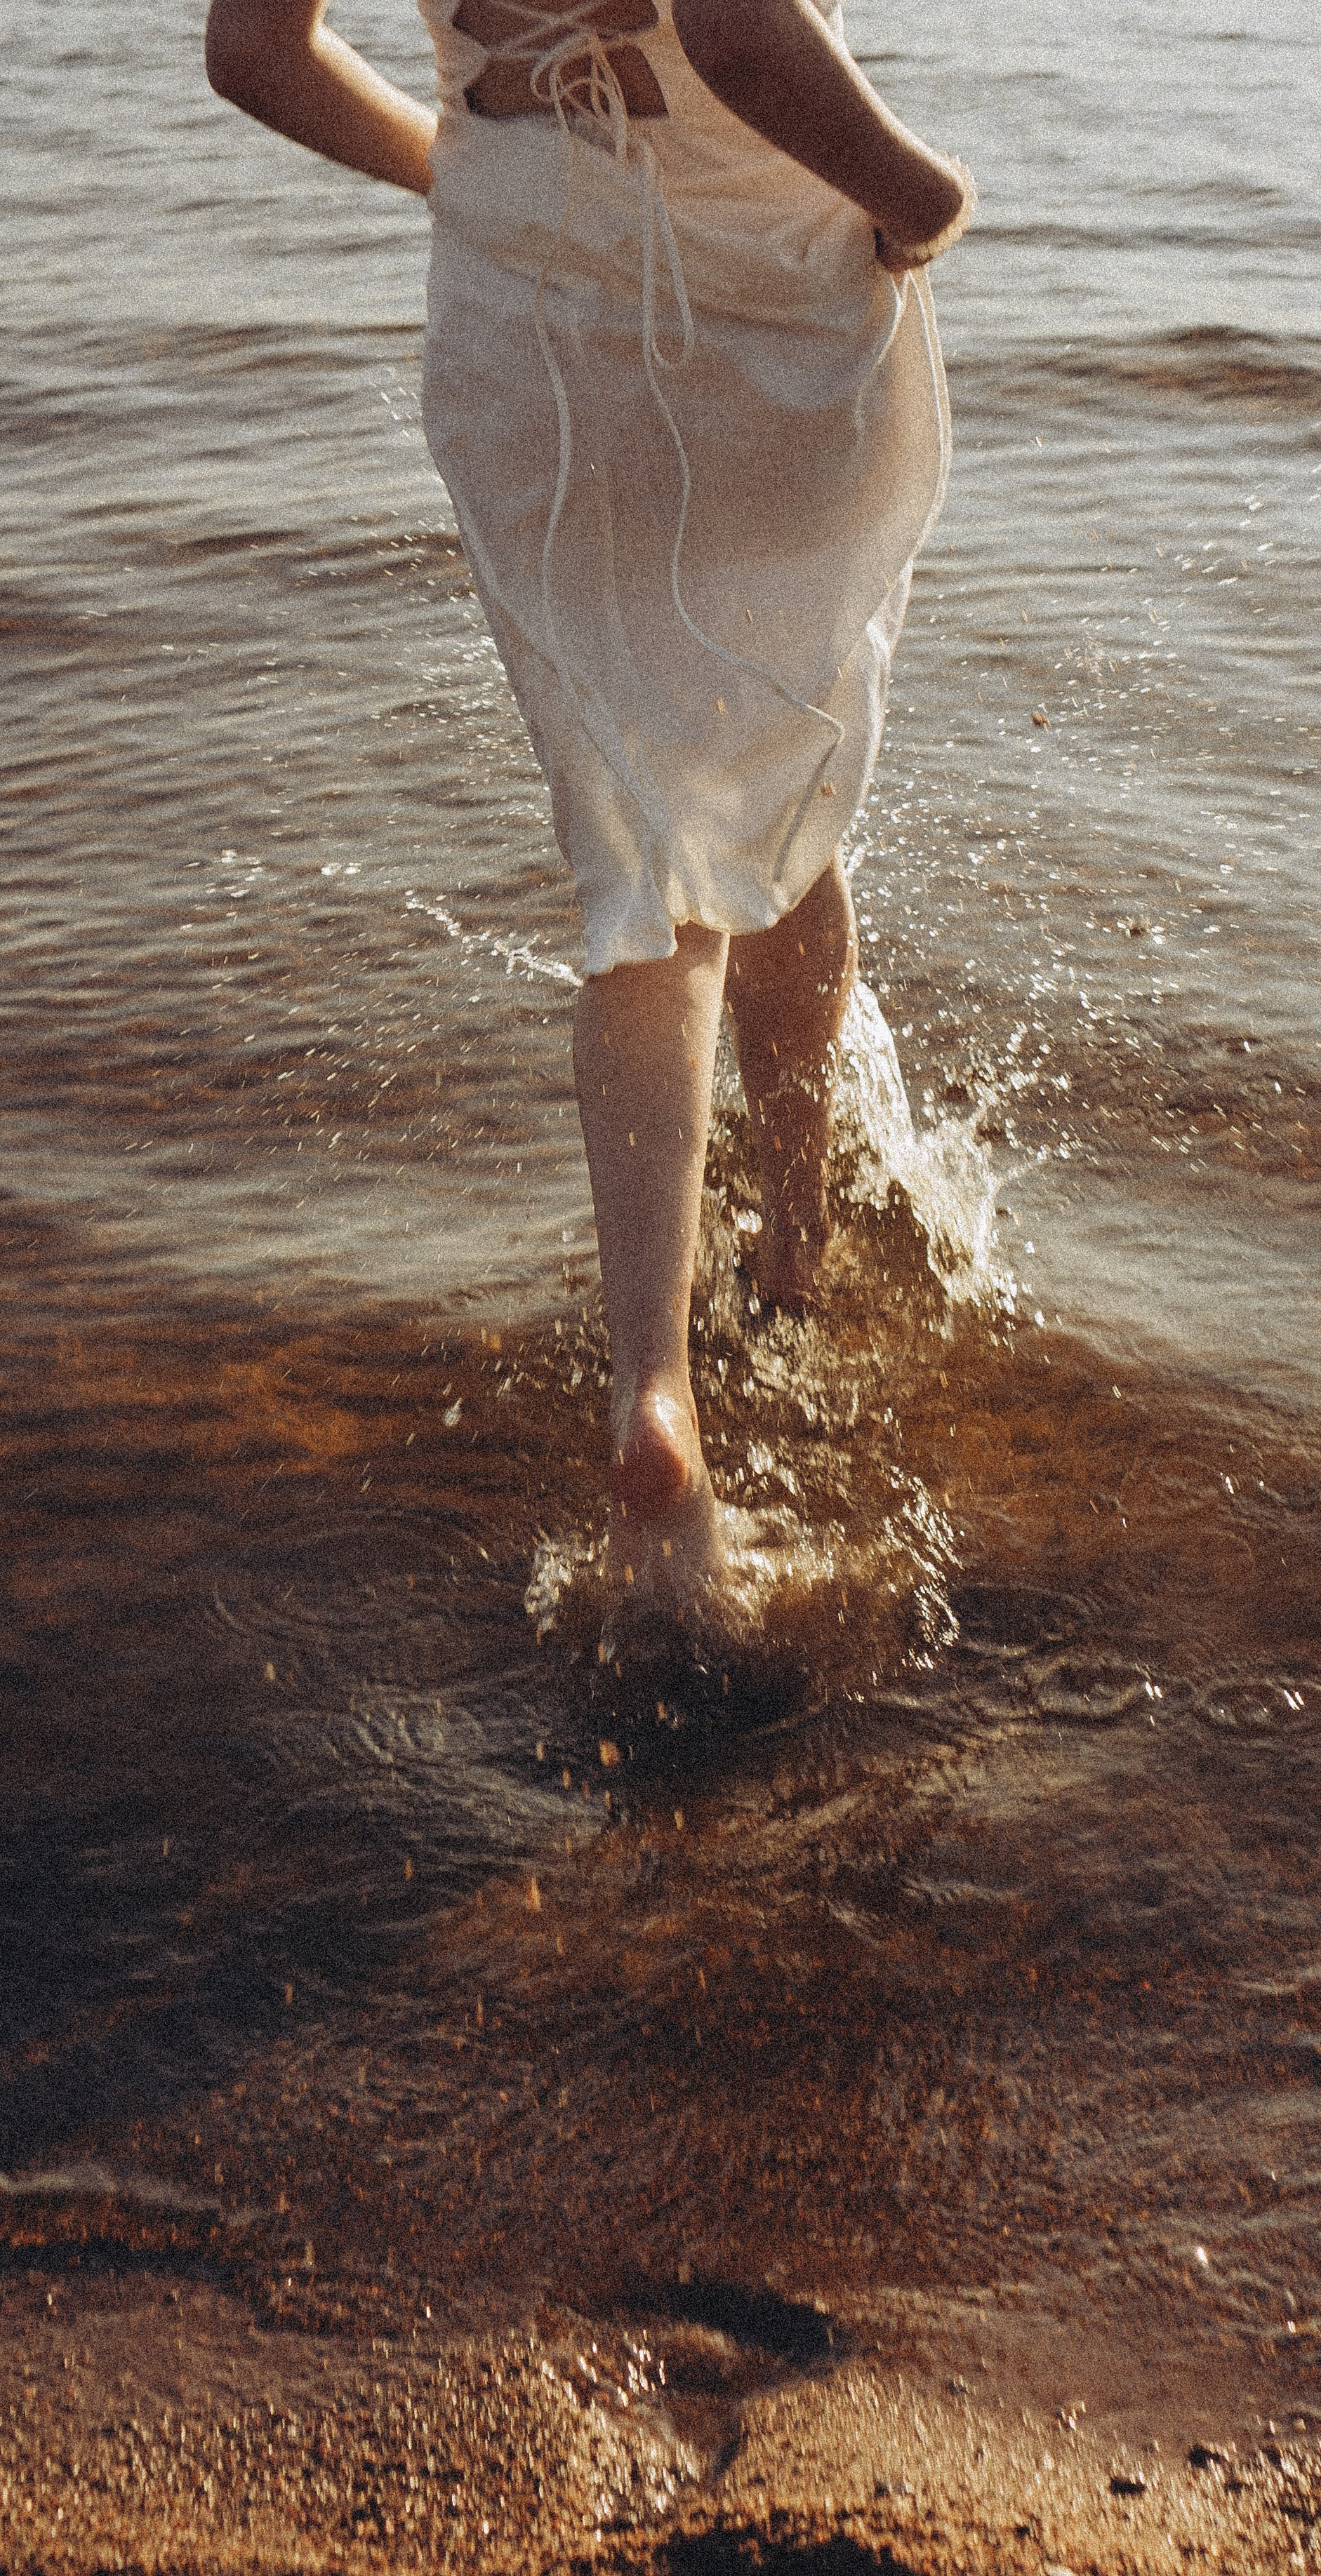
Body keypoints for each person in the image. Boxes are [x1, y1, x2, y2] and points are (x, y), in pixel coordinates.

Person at [204, 0, 974, 1627]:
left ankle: (653, 1390)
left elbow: (254, 53)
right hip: (757, 290)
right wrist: (921, 194)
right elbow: (742, 36)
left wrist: (466, 173)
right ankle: (789, 1229)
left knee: (635, 856)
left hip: (525, 321)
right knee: (784, 787)